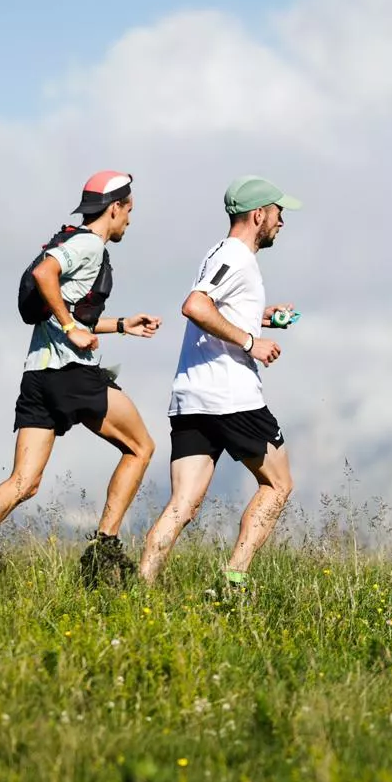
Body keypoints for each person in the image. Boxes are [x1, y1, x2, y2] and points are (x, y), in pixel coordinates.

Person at [0, 170, 163, 590]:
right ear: (114, 208)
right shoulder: (88, 244)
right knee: (141, 447)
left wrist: (123, 325)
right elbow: (45, 275)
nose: (130, 219)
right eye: (129, 210)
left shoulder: (74, 239)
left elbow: (77, 313)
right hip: (71, 374)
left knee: (25, 482)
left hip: (37, 375)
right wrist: (70, 326)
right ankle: (103, 549)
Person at [137, 175, 301, 589]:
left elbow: (215, 307)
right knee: (278, 485)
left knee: (182, 505)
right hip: (230, 396)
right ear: (258, 214)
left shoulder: (221, 254)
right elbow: (195, 306)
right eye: (279, 214)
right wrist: (252, 342)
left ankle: (141, 589)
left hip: (191, 397)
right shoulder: (238, 256)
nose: (283, 222)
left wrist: (264, 316)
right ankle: (234, 579)